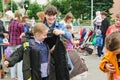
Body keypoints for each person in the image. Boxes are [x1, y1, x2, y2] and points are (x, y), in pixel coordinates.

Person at [44, 5, 72, 80]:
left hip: (59, 54)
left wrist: (61, 32)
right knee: (47, 74)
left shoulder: (60, 25)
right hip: (46, 54)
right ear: (45, 15)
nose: (51, 17)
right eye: (49, 15)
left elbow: (69, 36)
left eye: (53, 15)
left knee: (66, 71)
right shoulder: (42, 26)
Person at [102, 12, 120, 80]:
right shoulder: (111, 28)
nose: (117, 22)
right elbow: (107, 39)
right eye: (116, 19)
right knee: (110, 69)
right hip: (111, 52)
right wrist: (106, 51)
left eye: (119, 20)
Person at [8, 12, 24, 80]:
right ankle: (20, 78)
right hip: (18, 43)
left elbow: (9, 33)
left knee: (12, 60)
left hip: (11, 44)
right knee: (20, 62)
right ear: (19, 16)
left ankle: (13, 77)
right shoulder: (20, 25)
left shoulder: (10, 24)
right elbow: (22, 35)